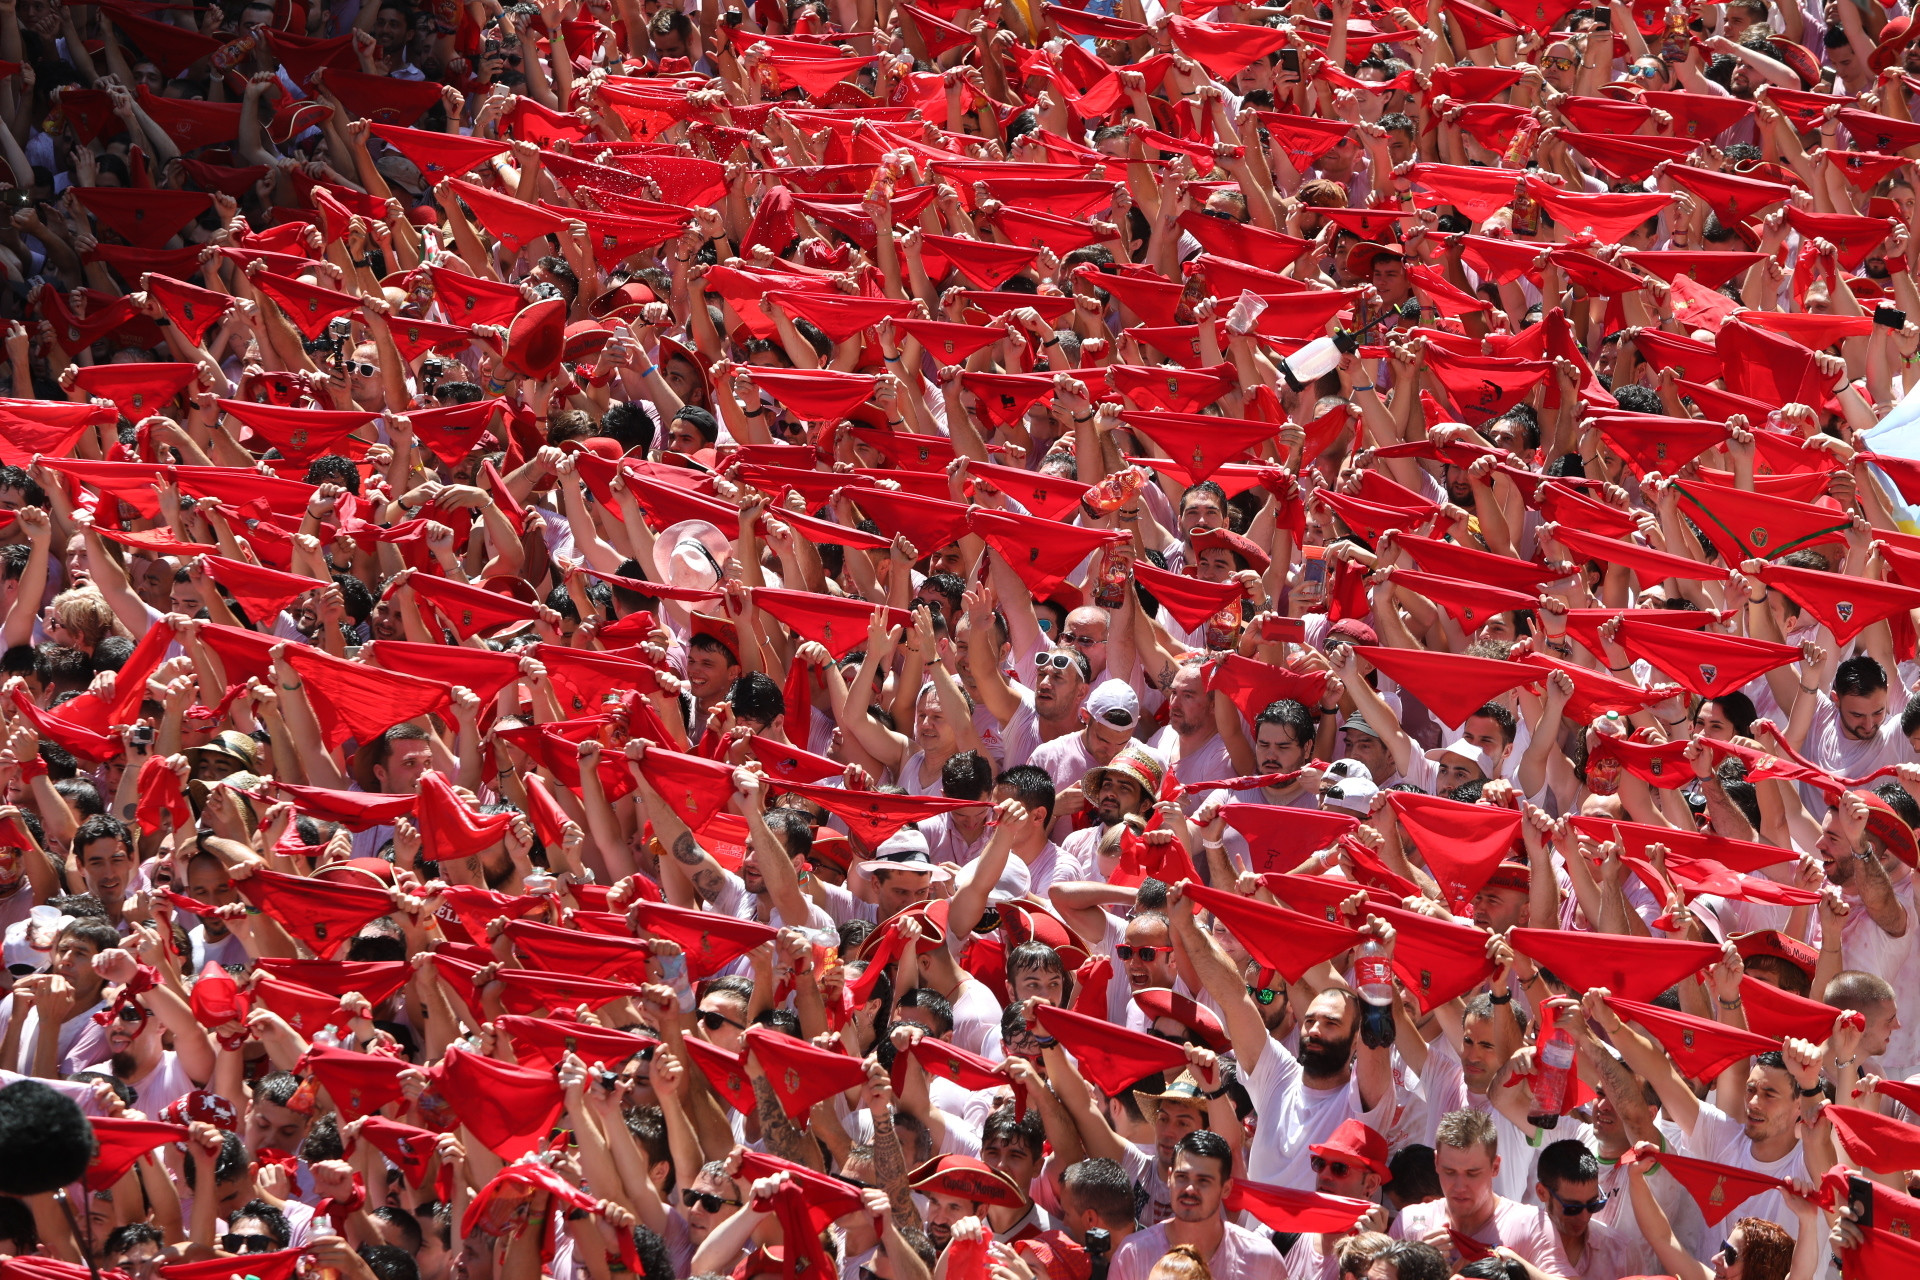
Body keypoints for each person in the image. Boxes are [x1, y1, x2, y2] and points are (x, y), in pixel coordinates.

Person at [1106, 1131, 1286, 1280]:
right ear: (1170, 1178)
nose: (1190, 1189)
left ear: (1226, 1188)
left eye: (1203, 1181)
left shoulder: (1262, 1259)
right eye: (1182, 1177)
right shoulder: (1133, 1255)